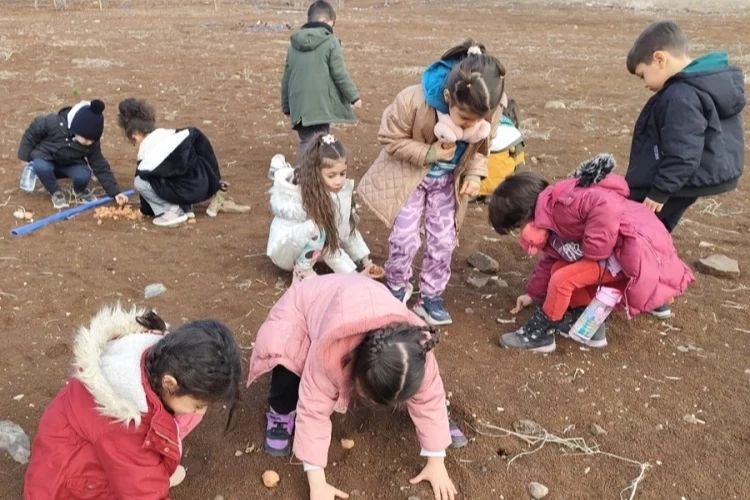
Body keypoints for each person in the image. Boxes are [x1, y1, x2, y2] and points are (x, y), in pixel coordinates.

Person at [248, 274, 462, 500]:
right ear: (354, 369)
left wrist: (436, 460)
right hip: (304, 307)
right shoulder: (329, 356)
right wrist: (318, 483)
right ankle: (280, 410)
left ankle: (438, 425)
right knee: (289, 362)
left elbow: (430, 398)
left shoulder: (417, 349)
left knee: (426, 396)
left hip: (359, 300)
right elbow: (313, 412)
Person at [23, 306, 242, 499]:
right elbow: (143, 495)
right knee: (143, 475)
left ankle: (153, 469)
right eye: (198, 404)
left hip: (77, 462)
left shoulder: (152, 355)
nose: (201, 412)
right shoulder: (125, 425)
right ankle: (151, 470)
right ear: (170, 383)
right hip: (66, 489)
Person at [358, 39, 505, 326]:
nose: (469, 127)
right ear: (448, 97)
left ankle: (431, 297)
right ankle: (397, 286)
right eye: (463, 119)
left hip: (448, 184)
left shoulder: (490, 109)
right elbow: (389, 138)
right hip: (410, 177)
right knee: (404, 237)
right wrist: (429, 153)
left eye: (478, 121)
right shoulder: (412, 100)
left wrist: (475, 174)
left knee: (443, 241)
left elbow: (482, 148)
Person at [488, 154, 695, 353]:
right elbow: (553, 258)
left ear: (525, 213)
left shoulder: (564, 204)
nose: (522, 235)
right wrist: (532, 294)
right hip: (614, 255)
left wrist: (594, 251)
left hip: (630, 254)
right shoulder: (550, 223)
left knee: (563, 279)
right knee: (560, 268)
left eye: (517, 226)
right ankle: (591, 327)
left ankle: (540, 335)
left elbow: (605, 203)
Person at [625, 20, 745, 233]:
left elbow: (684, 152)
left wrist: (659, 192)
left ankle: (642, 261)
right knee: (657, 227)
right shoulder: (701, 84)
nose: (645, 83)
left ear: (660, 59)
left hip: (681, 179)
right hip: (691, 177)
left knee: (635, 226)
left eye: (643, 75)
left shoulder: (681, 95)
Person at [267, 133, 382, 283]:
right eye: (332, 175)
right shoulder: (308, 198)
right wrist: (353, 276)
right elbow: (328, 245)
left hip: (306, 245)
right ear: (316, 173)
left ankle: (308, 264)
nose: (339, 181)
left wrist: (365, 261)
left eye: (342, 173)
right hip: (284, 250)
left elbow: (345, 229)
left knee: (326, 227)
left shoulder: (336, 193)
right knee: (317, 229)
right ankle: (302, 273)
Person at [117, 98, 223, 227]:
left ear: (135, 137)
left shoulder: (145, 160)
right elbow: (204, 149)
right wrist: (215, 181)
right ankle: (186, 207)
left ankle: (172, 212)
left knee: (140, 182)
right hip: (204, 186)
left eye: (133, 143)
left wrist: (144, 211)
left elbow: (144, 188)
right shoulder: (180, 134)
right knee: (175, 173)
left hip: (185, 192)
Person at [281, 0, 362, 164]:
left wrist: (286, 105)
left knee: (306, 141)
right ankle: (309, 178)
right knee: (320, 141)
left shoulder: (293, 45)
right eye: (332, 24)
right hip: (320, 105)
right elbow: (339, 74)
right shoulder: (330, 42)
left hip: (299, 106)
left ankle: (304, 177)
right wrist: (354, 97)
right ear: (325, 21)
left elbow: (287, 78)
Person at [17, 99, 129, 209]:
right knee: (40, 166)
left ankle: (78, 192)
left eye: (92, 140)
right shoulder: (53, 123)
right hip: (46, 159)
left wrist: (115, 192)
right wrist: (24, 156)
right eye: (86, 139)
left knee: (84, 174)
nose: (89, 142)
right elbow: (31, 134)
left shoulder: (91, 143)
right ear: (76, 129)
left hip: (71, 164)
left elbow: (100, 165)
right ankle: (55, 192)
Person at [475, 98, 526, 202]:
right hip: (498, 186)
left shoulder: (481, 127)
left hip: (474, 183)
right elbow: (519, 166)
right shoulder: (514, 135)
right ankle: (493, 193)